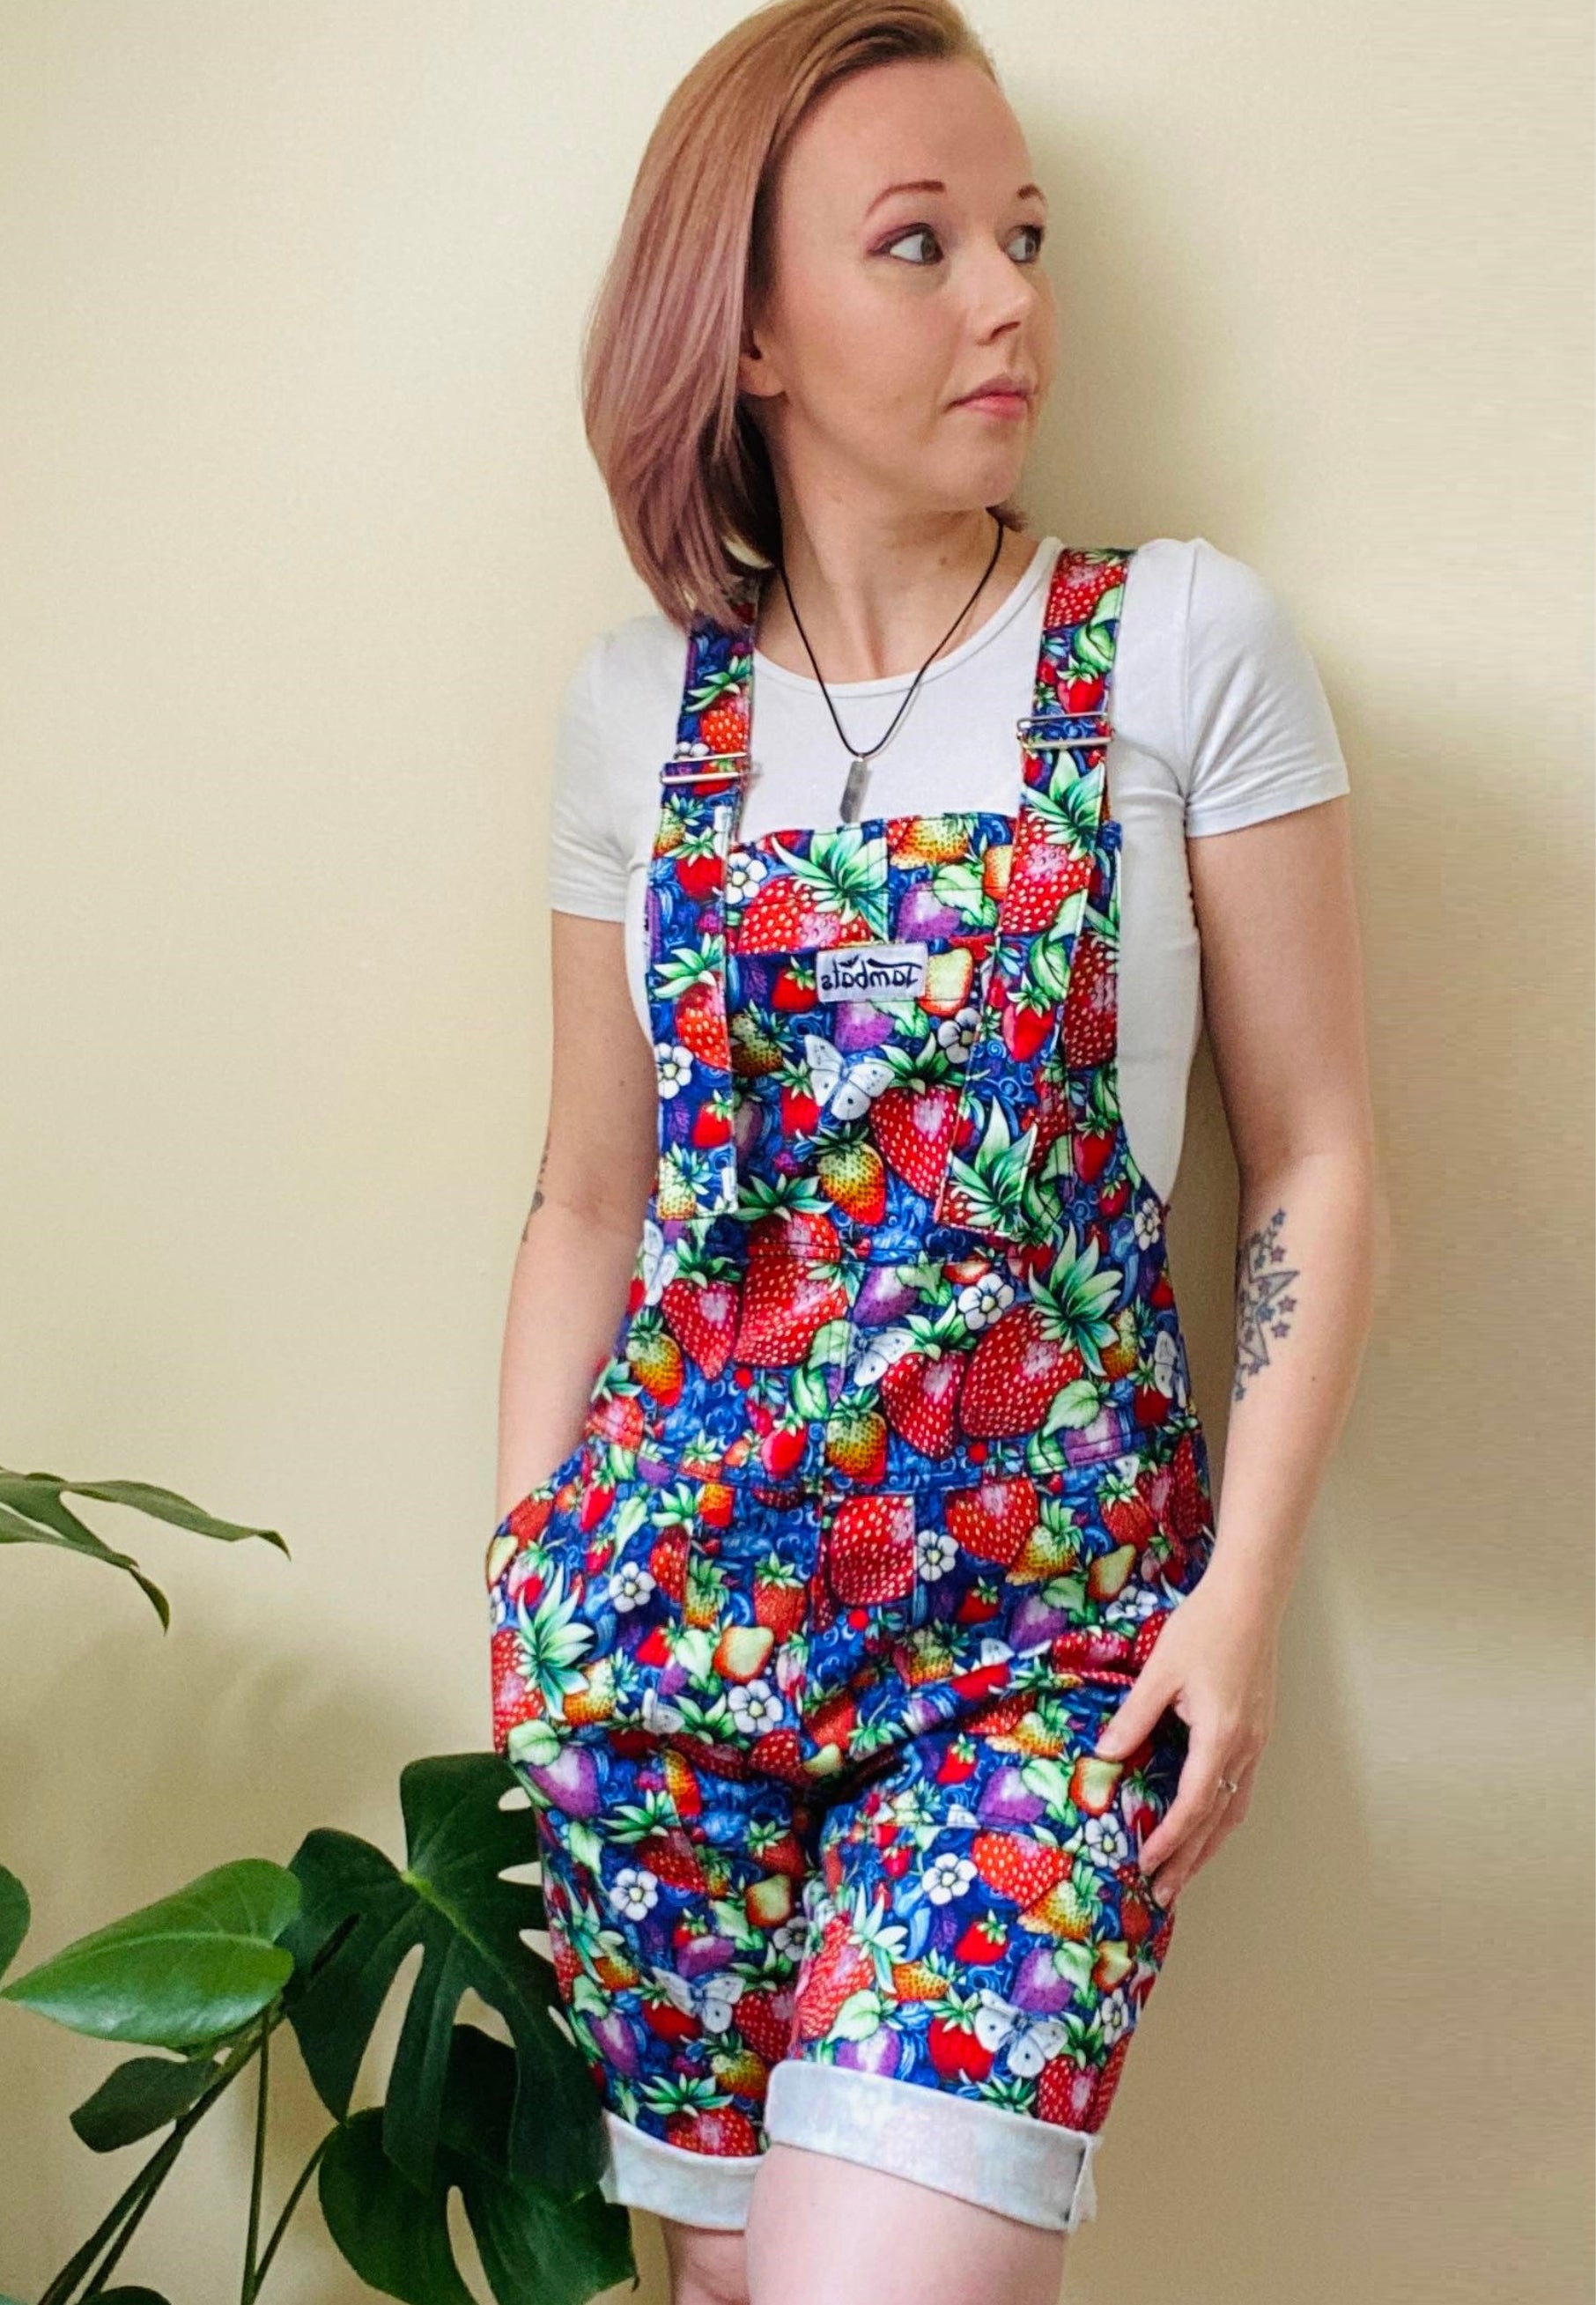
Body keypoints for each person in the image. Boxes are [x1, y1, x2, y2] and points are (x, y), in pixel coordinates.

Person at [484, 4, 1379, 2300]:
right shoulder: (640, 708)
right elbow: (590, 1189)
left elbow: (1311, 1153)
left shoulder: (1174, 643)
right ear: (749, 329)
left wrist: (1238, 1601)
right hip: (660, 1648)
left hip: (1045, 1656)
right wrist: (525, 1592)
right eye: (919, 245)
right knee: (712, 2286)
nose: (1007, 301)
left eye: (1024, 238)